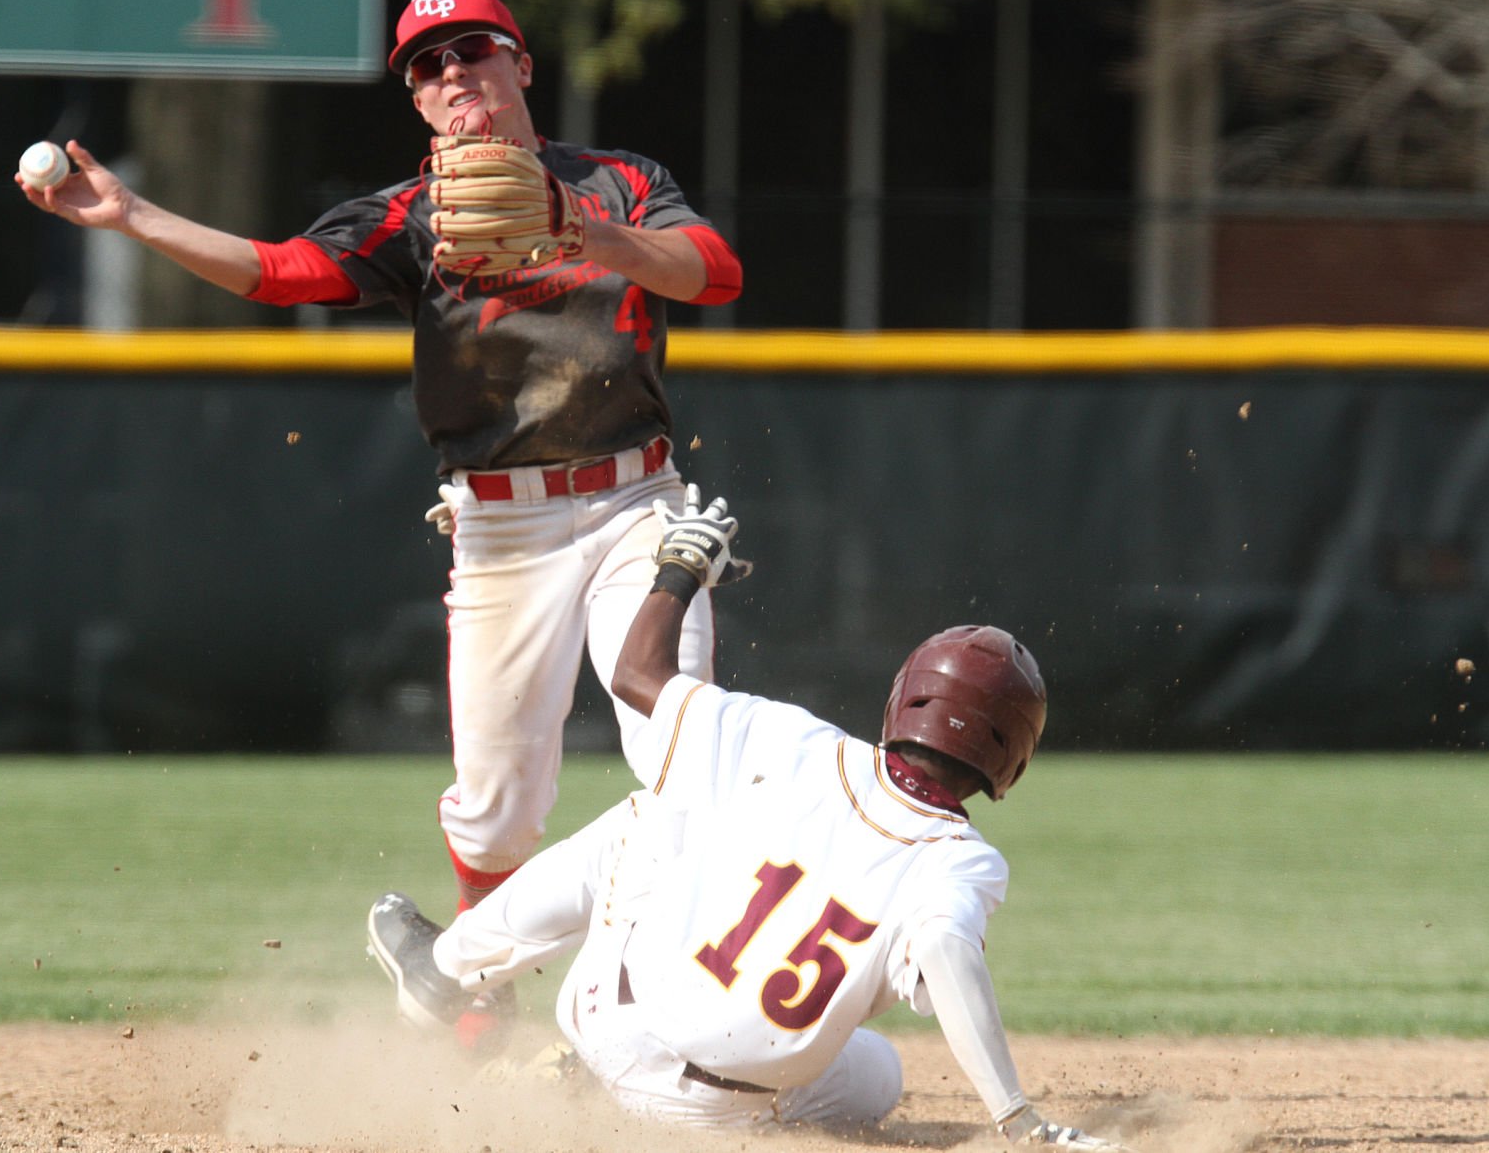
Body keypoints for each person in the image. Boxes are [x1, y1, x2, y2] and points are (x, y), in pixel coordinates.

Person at [18, 0, 744, 937]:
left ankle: (672, 991)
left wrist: (583, 228)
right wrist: (132, 216)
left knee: (679, 747)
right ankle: (474, 991)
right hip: (501, 528)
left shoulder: (620, 181)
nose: (453, 74)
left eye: (472, 50)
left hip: (636, 507)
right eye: (428, 66)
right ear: (417, 98)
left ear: (519, 64)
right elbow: (279, 273)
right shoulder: (407, 216)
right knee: (498, 809)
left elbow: (715, 271)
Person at [365, 486, 1133, 1146]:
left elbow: (636, 675)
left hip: (614, 1029)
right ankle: (654, 1100)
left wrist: (678, 571)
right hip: (729, 1116)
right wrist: (1016, 1116)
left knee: (649, 812)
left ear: (905, 696)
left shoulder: (791, 738)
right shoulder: (963, 860)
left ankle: (447, 971)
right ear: (1011, 759)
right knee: (881, 1069)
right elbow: (943, 947)